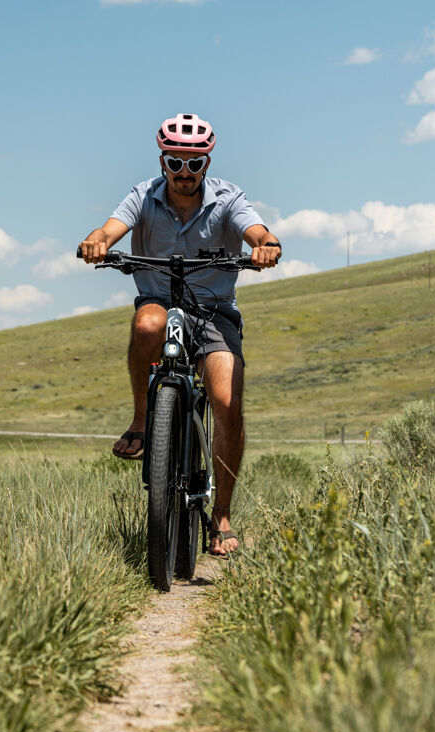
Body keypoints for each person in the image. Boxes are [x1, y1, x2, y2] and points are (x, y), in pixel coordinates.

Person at [78, 113, 281, 556]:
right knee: (147, 323)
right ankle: (142, 419)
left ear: (206, 163)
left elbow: (256, 229)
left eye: (194, 164)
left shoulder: (229, 198)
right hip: (158, 299)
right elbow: (111, 227)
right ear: (162, 161)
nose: (184, 174)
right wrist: (98, 241)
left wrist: (265, 245)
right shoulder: (142, 195)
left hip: (213, 311)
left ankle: (222, 517)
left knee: (227, 403)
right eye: (175, 163)